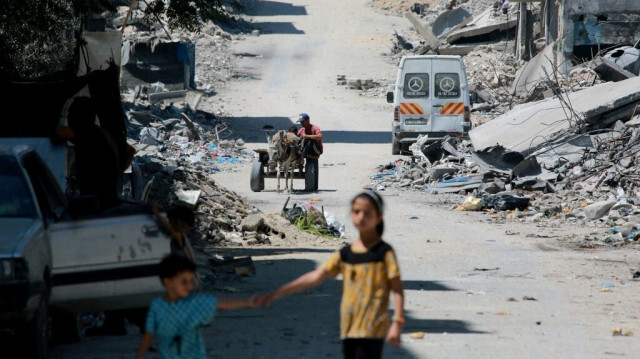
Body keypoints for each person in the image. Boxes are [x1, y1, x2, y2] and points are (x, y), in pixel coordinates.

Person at [260, 190, 404, 359]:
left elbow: (397, 288)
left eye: (367, 213)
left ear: (379, 217)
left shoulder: (384, 253)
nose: (361, 217)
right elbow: (317, 276)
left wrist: (397, 322)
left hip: (374, 327)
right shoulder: (346, 254)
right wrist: (278, 293)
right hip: (348, 327)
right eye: (356, 212)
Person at [136, 255, 259, 359]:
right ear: (168, 282)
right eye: (184, 281)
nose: (189, 286)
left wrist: (248, 302)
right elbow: (149, 335)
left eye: (191, 281)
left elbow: (222, 304)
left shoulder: (195, 302)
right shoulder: (157, 306)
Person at [66, 97, 120, 210]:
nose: (68, 118)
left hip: (98, 205)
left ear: (81, 117)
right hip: (99, 202)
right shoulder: (98, 134)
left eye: (71, 115)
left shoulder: (91, 137)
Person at [152, 202, 201, 289]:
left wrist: (157, 214)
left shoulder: (180, 238)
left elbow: (171, 231)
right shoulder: (182, 238)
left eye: (171, 221)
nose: (170, 223)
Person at [296, 113, 323, 191]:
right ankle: (304, 155)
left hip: (316, 149)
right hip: (306, 150)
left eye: (303, 121)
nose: (301, 123)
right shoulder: (301, 130)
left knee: (310, 141)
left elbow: (320, 136)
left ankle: (313, 156)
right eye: (300, 122)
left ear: (308, 120)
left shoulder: (315, 128)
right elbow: (296, 138)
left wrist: (307, 136)